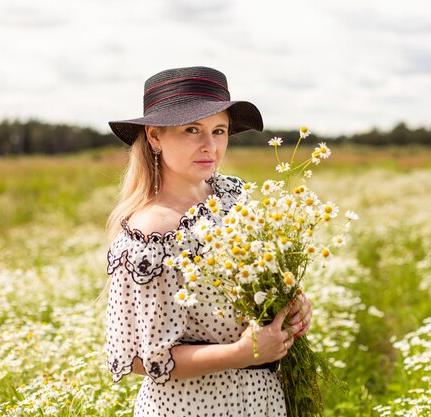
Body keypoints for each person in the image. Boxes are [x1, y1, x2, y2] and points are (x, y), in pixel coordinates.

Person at [104, 66, 312, 416]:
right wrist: (242, 353)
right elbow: (144, 358)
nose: (210, 146)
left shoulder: (231, 195)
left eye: (219, 131)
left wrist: (289, 307)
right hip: (194, 407)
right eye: (192, 130)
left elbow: (257, 288)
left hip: (264, 400)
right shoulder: (152, 235)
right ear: (154, 137)